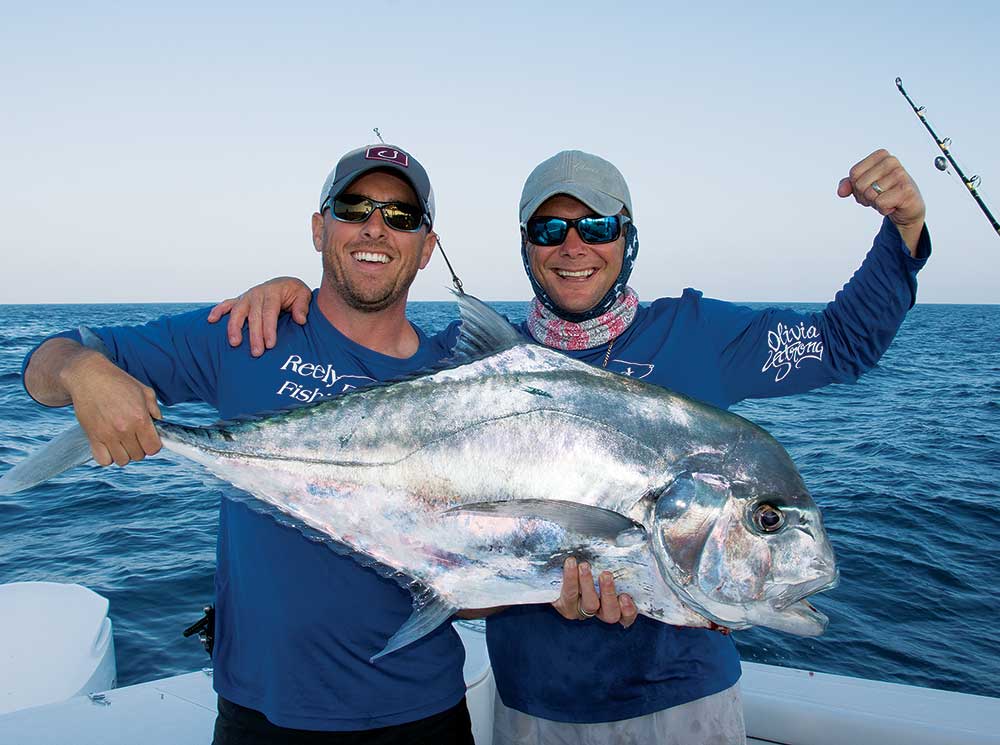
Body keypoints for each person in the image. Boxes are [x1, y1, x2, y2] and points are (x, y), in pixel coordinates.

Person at [213, 147, 930, 744]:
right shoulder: (470, 367)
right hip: (534, 709)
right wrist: (296, 297)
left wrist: (902, 229)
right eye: (549, 230)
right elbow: (366, 373)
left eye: (596, 224)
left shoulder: (699, 337)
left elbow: (841, 342)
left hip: (681, 705)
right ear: (526, 245)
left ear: (629, 236)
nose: (574, 246)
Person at [20, 144, 478, 744]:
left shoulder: (465, 380)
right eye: (354, 206)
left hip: (422, 713)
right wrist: (83, 372)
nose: (375, 228)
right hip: (261, 715)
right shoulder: (245, 334)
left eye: (401, 217)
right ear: (320, 229)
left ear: (426, 248)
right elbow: (43, 366)